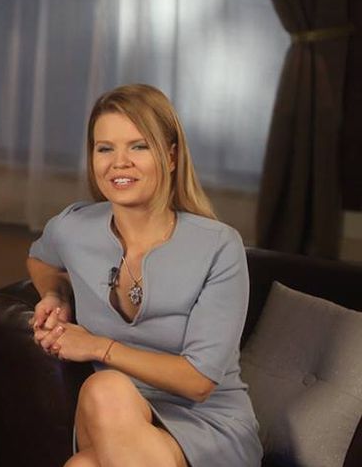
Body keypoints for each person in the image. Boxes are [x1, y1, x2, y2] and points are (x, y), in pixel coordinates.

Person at [28, 84, 261, 466]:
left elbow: (199, 381)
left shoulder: (219, 246)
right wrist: (55, 296)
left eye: (138, 146)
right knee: (106, 389)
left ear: (170, 156)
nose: (119, 162)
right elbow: (40, 261)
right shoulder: (72, 228)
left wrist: (97, 347)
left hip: (205, 423)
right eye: (105, 148)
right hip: (112, 409)